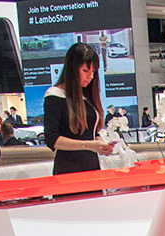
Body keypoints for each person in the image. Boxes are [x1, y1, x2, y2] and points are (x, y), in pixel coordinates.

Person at [44, 42, 114, 174]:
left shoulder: (87, 96)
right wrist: (87, 145)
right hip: (68, 168)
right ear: (72, 69)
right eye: (85, 71)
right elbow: (52, 139)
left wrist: (101, 144)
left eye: (93, 72)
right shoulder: (55, 95)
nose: (90, 77)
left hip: (92, 166)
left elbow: (91, 132)